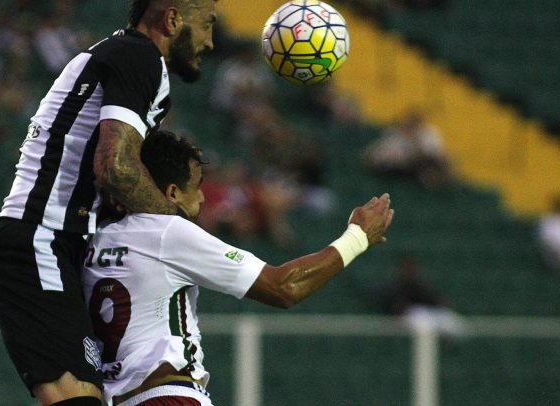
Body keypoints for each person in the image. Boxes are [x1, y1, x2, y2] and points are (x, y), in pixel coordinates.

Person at [0, 1, 219, 405]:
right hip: (41, 239)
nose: (211, 41)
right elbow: (115, 166)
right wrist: (175, 228)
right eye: (207, 25)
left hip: (55, 243)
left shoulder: (120, 53)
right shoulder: (140, 56)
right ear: (173, 19)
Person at [82, 130, 394, 405]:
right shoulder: (168, 232)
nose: (203, 197)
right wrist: (357, 237)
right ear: (173, 192)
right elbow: (283, 287)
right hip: (170, 396)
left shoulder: (94, 240)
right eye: (197, 186)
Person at [379, 254, 467, 338]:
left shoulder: (418, 284)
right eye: (407, 267)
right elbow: (393, 306)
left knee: (455, 323)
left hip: (426, 312)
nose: (410, 270)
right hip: (409, 316)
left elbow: (435, 300)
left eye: (412, 267)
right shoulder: (395, 285)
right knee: (424, 324)